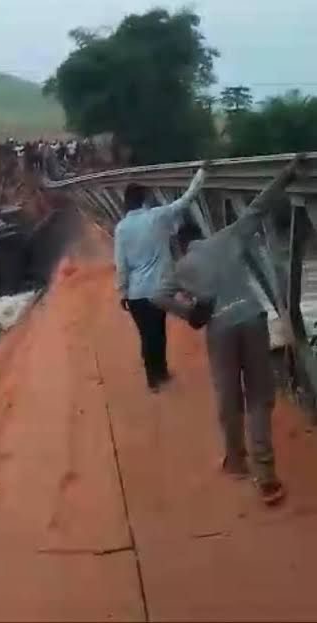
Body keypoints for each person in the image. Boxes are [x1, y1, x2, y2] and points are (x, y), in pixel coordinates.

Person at [153, 156, 302, 505]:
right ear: (202, 235)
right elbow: (260, 205)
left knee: (228, 396)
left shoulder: (182, 266)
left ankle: (235, 460)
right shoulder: (226, 238)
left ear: (181, 244)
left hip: (219, 330)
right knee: (260, 398)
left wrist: (190, 313)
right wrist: (288, 172)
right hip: (251, 319)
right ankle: (266, 477)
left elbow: (157, 296)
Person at [114, 165, 206, 391]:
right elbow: (186, 200)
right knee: (159, 331)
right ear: (144, 200)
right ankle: (161, 372)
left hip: (136, 293)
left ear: (125, 203)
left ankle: (152, 377)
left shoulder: (121, 228)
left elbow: (121, 265)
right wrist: (201, 174)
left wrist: (123, 292)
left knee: (146, 334)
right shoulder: (157, 216)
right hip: (159, 290)